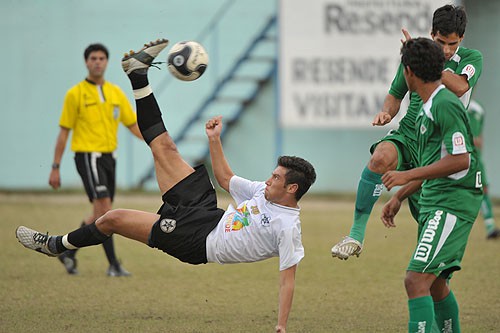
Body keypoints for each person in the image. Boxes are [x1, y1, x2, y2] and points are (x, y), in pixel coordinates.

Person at [17, 39, 316, 333]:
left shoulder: (287, 227)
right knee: (165, 147)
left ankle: (56, 245)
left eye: (276, 178)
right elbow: (225, 179)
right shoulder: (263, 192)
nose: (268, 180)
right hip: (208, 212)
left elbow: (287, 279)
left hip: (197, 240)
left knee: (112, 218)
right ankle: (138, 75)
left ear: (291, 189)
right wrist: (214, 140)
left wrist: (280, 326)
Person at [331, 4, 483, 259]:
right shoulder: (417, 57)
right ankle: (356, 234)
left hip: (439, 146)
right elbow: (395, 94)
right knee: (380, 157)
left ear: (462, 39)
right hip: (411, 134)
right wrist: (386, 113)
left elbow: (459, 87)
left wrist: (427, 61)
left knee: (428, 234)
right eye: (440, 42)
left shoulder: (470, 59)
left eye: (452, 44)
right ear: (431, 33)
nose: (446, 50)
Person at [380, 37, 482, 333]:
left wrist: (405, 176)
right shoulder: (428, 108)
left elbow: (461, 160)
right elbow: (432, 167)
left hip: (451, 203)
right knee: (435, 284)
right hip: (437, 199)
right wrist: (400, 196)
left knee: (415, 280)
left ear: (409, 72)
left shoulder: (444, 104)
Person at [49, 43, 142, 276]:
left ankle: (68, 252)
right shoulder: (75, 94)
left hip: (110, 158)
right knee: (105, 211)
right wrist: (55, 167)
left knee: (98, 213)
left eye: (102, 58)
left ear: (107, 62)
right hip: (88, 157)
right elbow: (63, 132)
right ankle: (114, 265)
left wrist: (159, 143)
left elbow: (133, 125)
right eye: (93, 58)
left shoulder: (115, 93)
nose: (97, 61)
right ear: (86, 62)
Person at [466, 99, 500, 239]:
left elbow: (479, 139)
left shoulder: (477, 109)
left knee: (483, 189)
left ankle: (490, 226)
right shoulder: (450, 104)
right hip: (454, 159)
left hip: (475, 159)